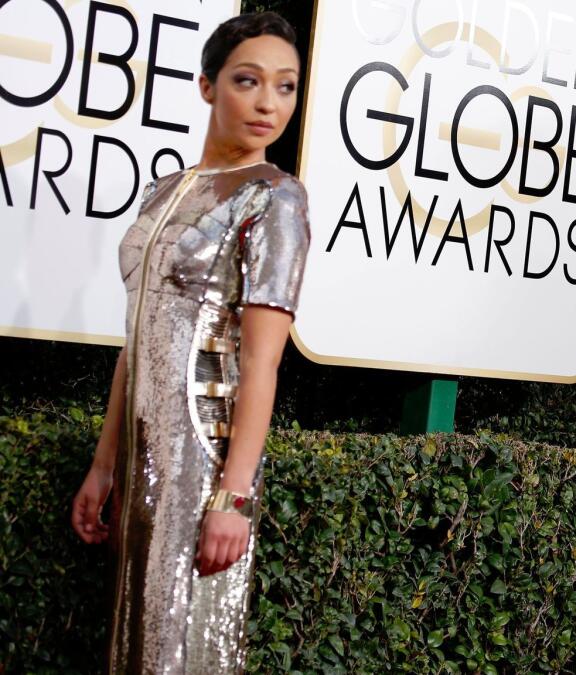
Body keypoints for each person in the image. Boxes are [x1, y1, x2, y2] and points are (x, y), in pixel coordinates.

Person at [69, 12, 310, 673]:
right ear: (207, 86)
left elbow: (262, 361)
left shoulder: (275, 199)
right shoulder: (164, 193)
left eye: (286, 86)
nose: (268, 103)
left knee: (180, 642)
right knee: (136, 634)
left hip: (203, 461)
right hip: (143, 457)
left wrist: (234, 497)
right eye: (248, 80)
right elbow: (136, 340)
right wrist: (104, 463)